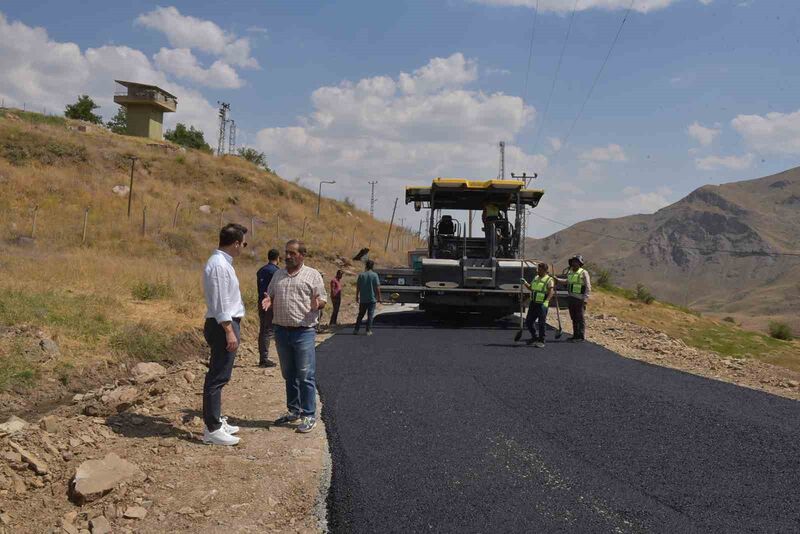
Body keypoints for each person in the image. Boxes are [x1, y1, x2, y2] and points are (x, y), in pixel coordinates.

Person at [261, 240, 327, 433]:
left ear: (302, 255)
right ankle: (294, 410)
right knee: (289, 374)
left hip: (303, 331)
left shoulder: (312, 275)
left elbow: (322, 298)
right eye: (286, 253)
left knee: (306, 375)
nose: (288, 256)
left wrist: (318, 304)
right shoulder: (278, 275)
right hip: (281, 331)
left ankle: (308, 415)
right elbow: (270, 294)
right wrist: (268, 299)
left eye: (292, 253)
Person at [202, 223, 248, 446]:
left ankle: (217, 420)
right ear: (236, 243)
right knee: (217, 376)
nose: (243, 248)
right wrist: (229, 330)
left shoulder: (222, 263)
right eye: (244, 244)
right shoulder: (219, 265)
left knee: (221, 375)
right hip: (223, 325)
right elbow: (221, 302)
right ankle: (212, 429)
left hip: (224, 323)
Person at [556, 254, 591, 342]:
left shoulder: (583, 272)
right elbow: (566, 282)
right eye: (573, 262)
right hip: (571, 298)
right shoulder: (570, 272)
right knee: (574, 317)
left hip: (580, 299)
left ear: (580, 263)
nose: (574, 263)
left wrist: (585, 299)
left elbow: (588, 287)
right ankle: (575, 335)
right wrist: (557, 279)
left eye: (576, 262)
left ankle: (581, 336)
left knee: (580, 318)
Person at [256, 249, 280, 368]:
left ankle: (263, 356)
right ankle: (264, 359)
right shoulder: (276, 271)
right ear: (278, 258)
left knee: (263, 329)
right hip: (270, 303)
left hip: (260, 301)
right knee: (269, 330)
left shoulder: (261, 270)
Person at [521, 263, 554, 348]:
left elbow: (551, 292)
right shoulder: (536, 278)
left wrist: (546, 302)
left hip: (542, 304)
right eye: (537, 269)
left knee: (541, 323)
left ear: (544, 270)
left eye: (539, 269)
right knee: (529, 321)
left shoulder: (549, 280)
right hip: (533, 303)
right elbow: (531, 288)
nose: (537, 271)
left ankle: (541, 340)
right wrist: (525, 283)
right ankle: (534, 337)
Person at [354, 260, 381, 336]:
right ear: (372, 266)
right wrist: (379, 297)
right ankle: (368, 331)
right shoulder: (374, 275)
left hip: (363, 299)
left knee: (360, 315)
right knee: (370, 315)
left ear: (366, 266)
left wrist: (357, 296)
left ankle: (356, 330)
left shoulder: (361, 275)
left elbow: (358, 287)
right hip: (372, 299)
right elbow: (378, 287)